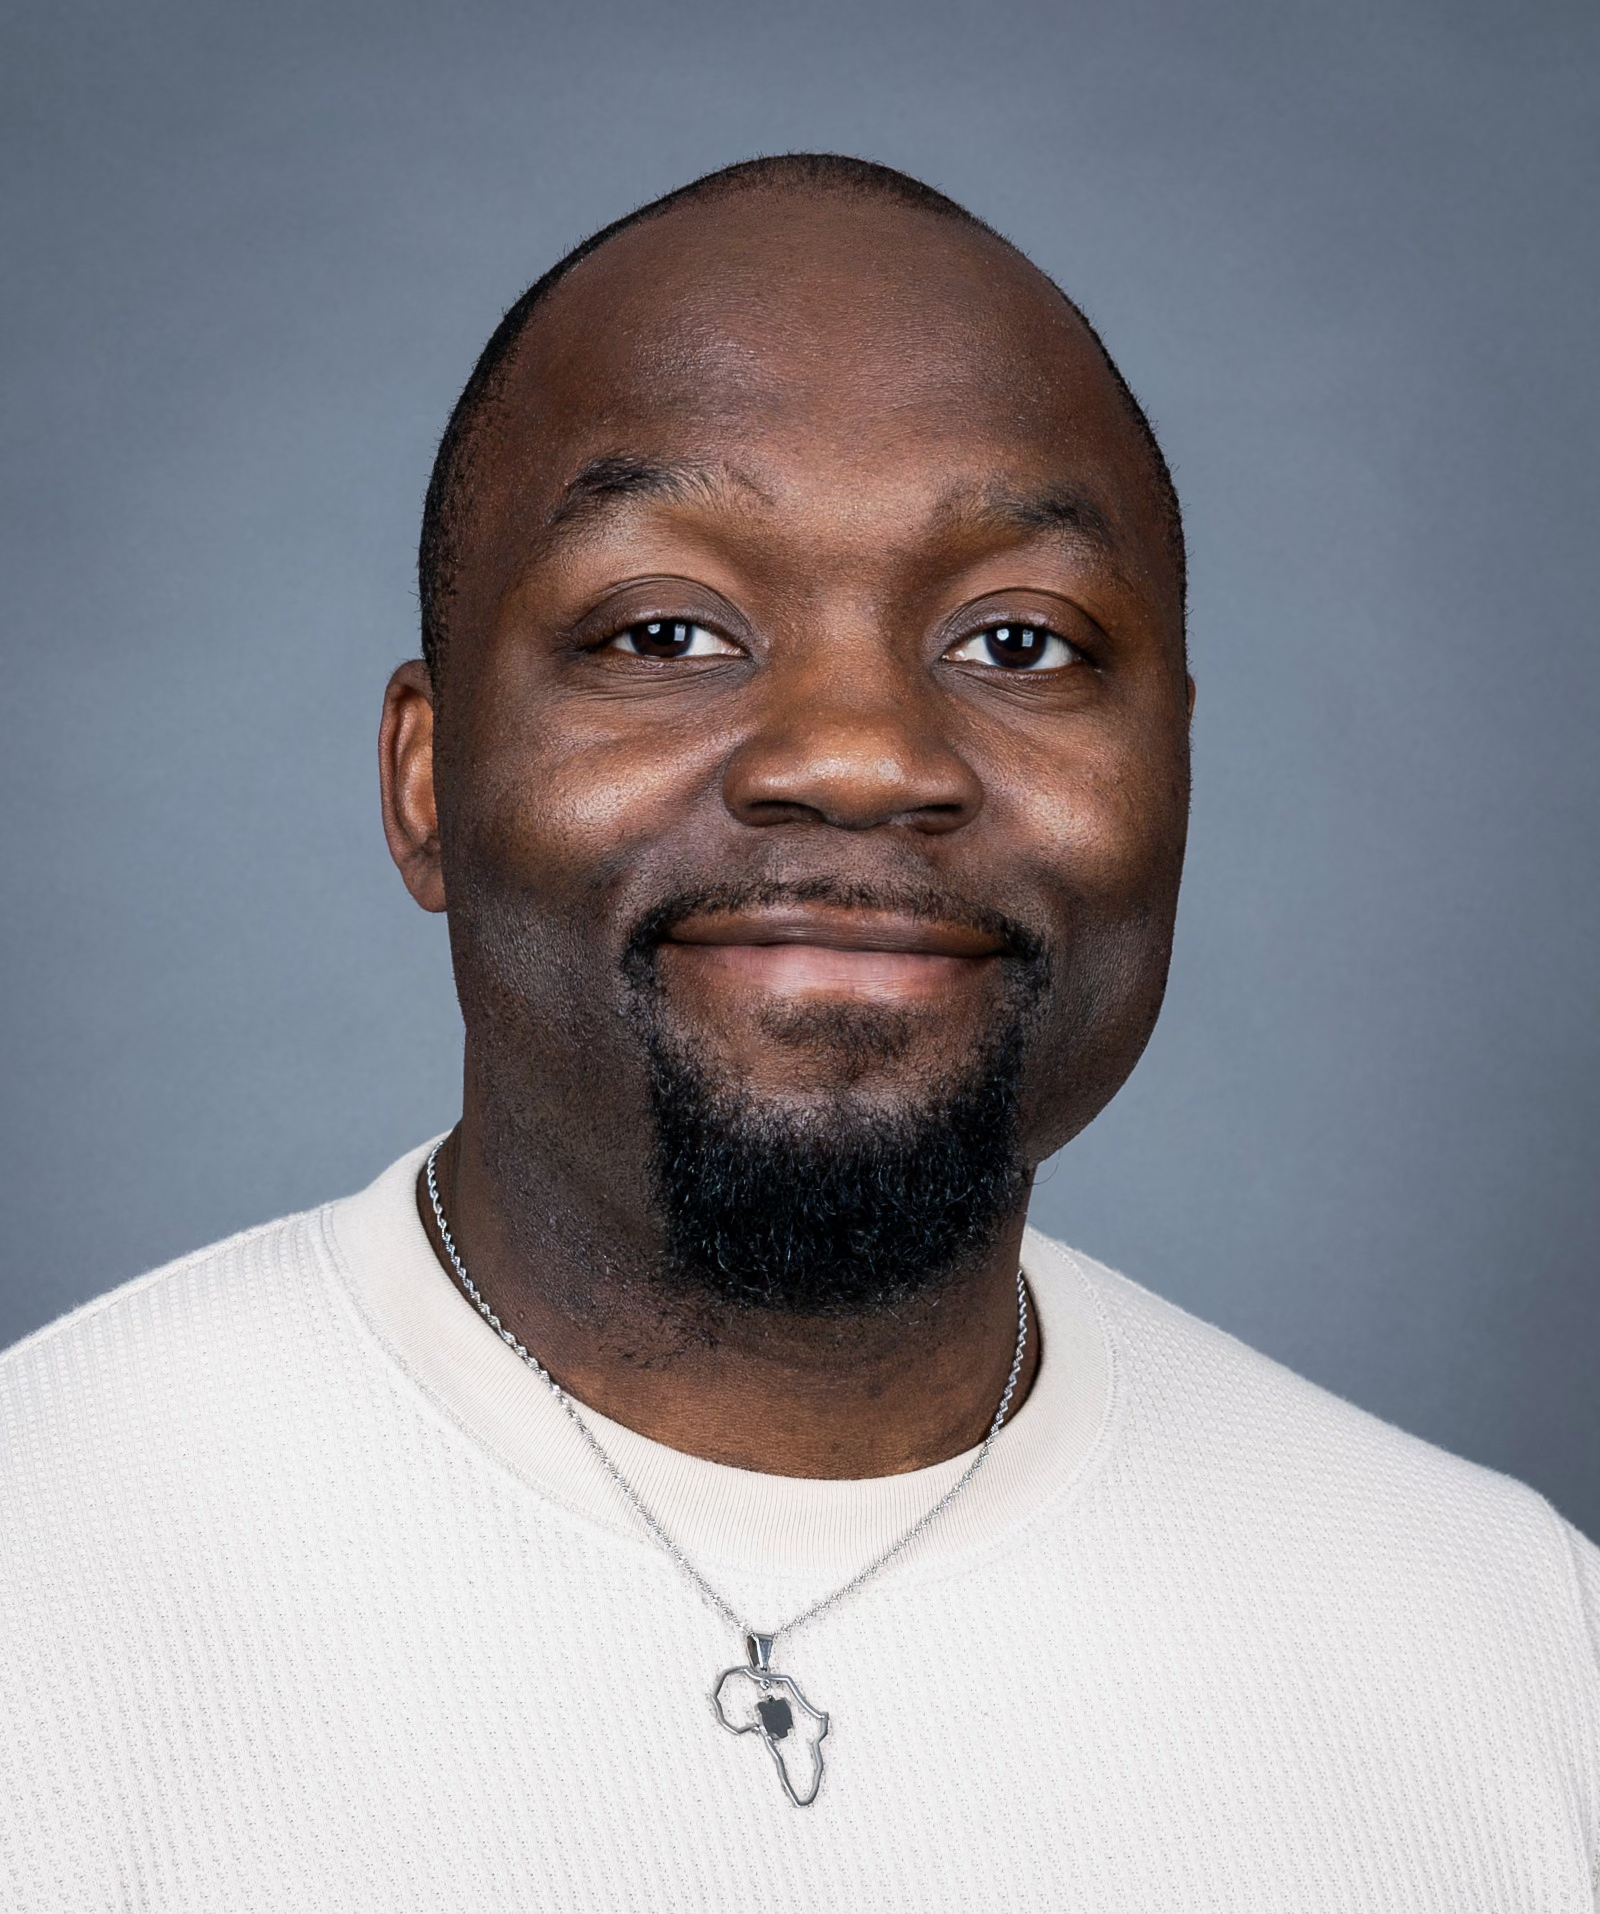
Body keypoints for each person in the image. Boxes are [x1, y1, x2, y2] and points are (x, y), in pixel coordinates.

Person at [1, 154, 1594, 1910]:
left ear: (1183, 770)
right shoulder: (41, 1574)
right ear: (428, 778)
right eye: (668, 629)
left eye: (1019, 639)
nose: (859, 755)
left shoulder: (1512, 1645)